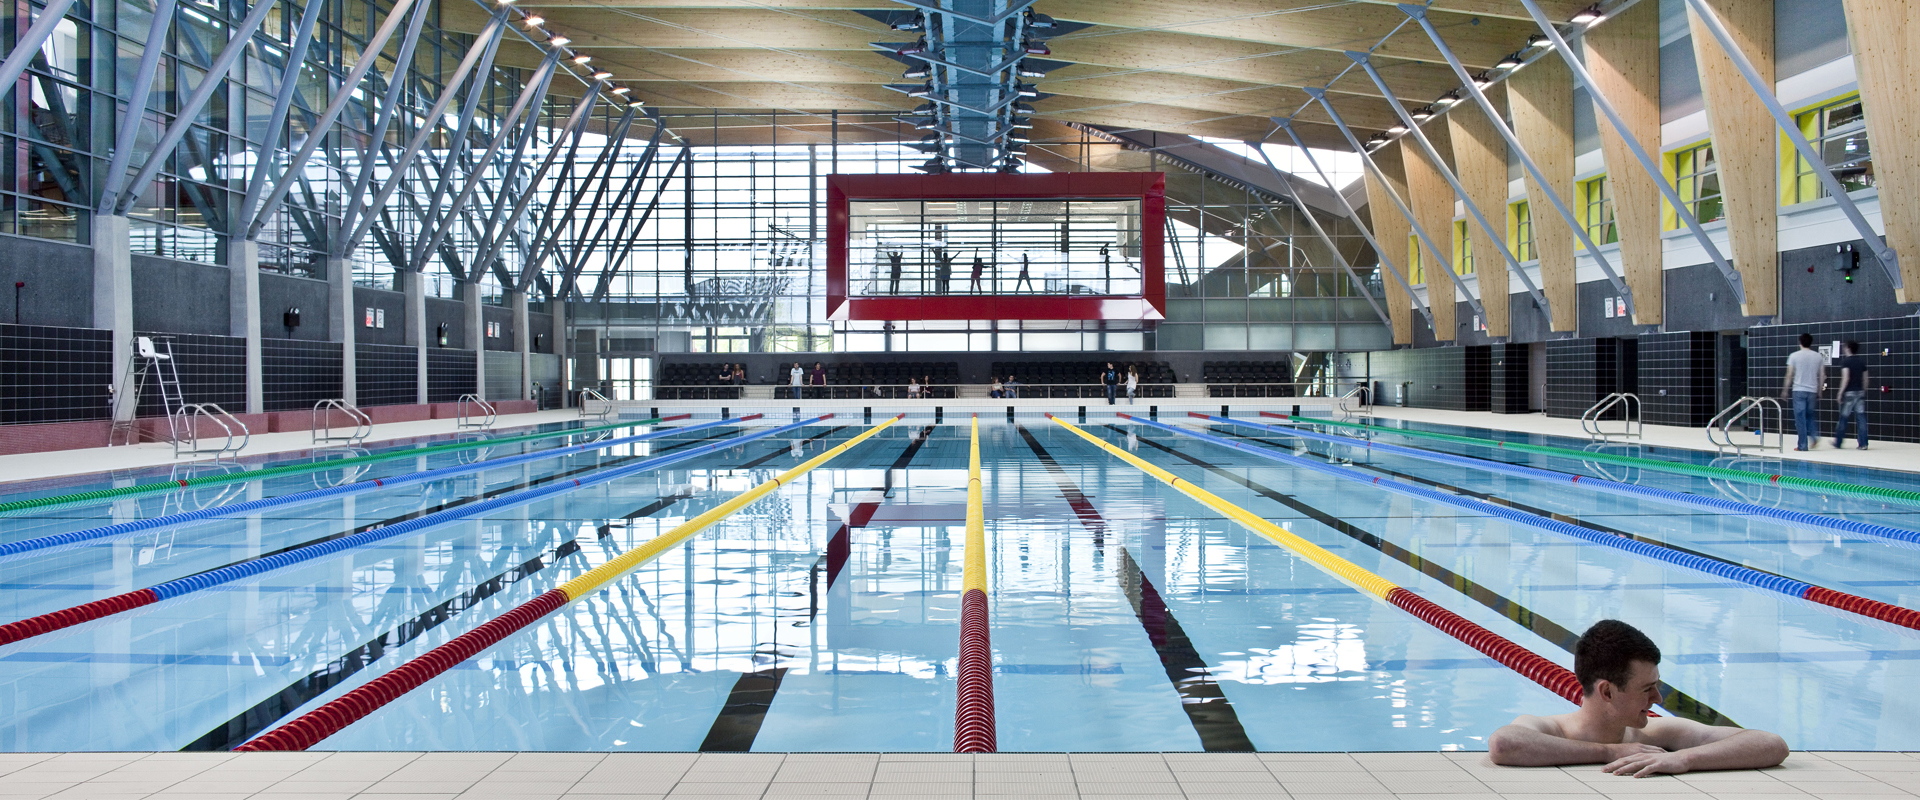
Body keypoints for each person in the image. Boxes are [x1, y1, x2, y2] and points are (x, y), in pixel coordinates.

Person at [1489, 620, 1786, 776]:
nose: (1657, 698)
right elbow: (1504, 744)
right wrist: (1609, 752)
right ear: (1607, 691)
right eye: (1647, 689)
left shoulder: (1656, 733)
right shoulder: (1549, 729)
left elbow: (1771, 745)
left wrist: (1685, 759)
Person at [1782, 332, 1825, 451]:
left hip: (1799, 390)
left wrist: (1785, 390)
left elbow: (1789, 374)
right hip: (1812, 391)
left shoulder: (1794, 356)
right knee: (1810, 415)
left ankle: (1803, 445)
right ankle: (1814, 436)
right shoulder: (1818, 356)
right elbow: (1822, 375)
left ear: (1800, 342)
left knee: (1800, 418)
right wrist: (1820, 390)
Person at [1834, 340, 1869, 450]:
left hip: (1849, 392)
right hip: (1860, 392)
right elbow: (1866, 379)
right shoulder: (1861, 362)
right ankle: (1863, 443)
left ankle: (1838, 442)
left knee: (1843, 418)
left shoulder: (1846, 362)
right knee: (1861, 418)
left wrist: (1840, 393)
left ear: (1848, 348)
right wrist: (1863, 390)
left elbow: (1846, 378)